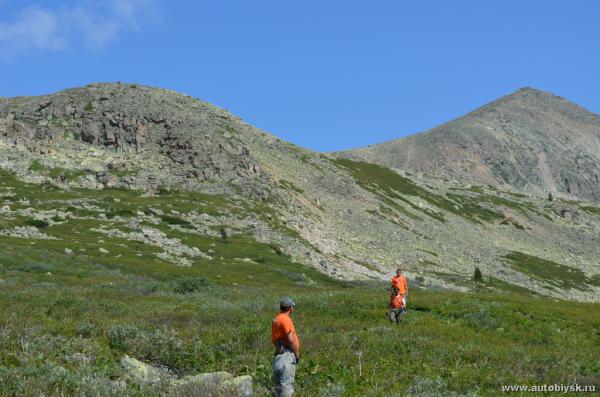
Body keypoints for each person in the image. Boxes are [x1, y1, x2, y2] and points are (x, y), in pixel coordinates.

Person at [271, 297, 300, 397]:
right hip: (287, 356)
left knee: (277, 388)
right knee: (286, 387)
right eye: (293, 306)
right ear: (290, 308)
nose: (293, 308)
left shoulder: (276, 319)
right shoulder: (286, 319)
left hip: (278, 356)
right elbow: (291, 339)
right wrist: (297, 355)